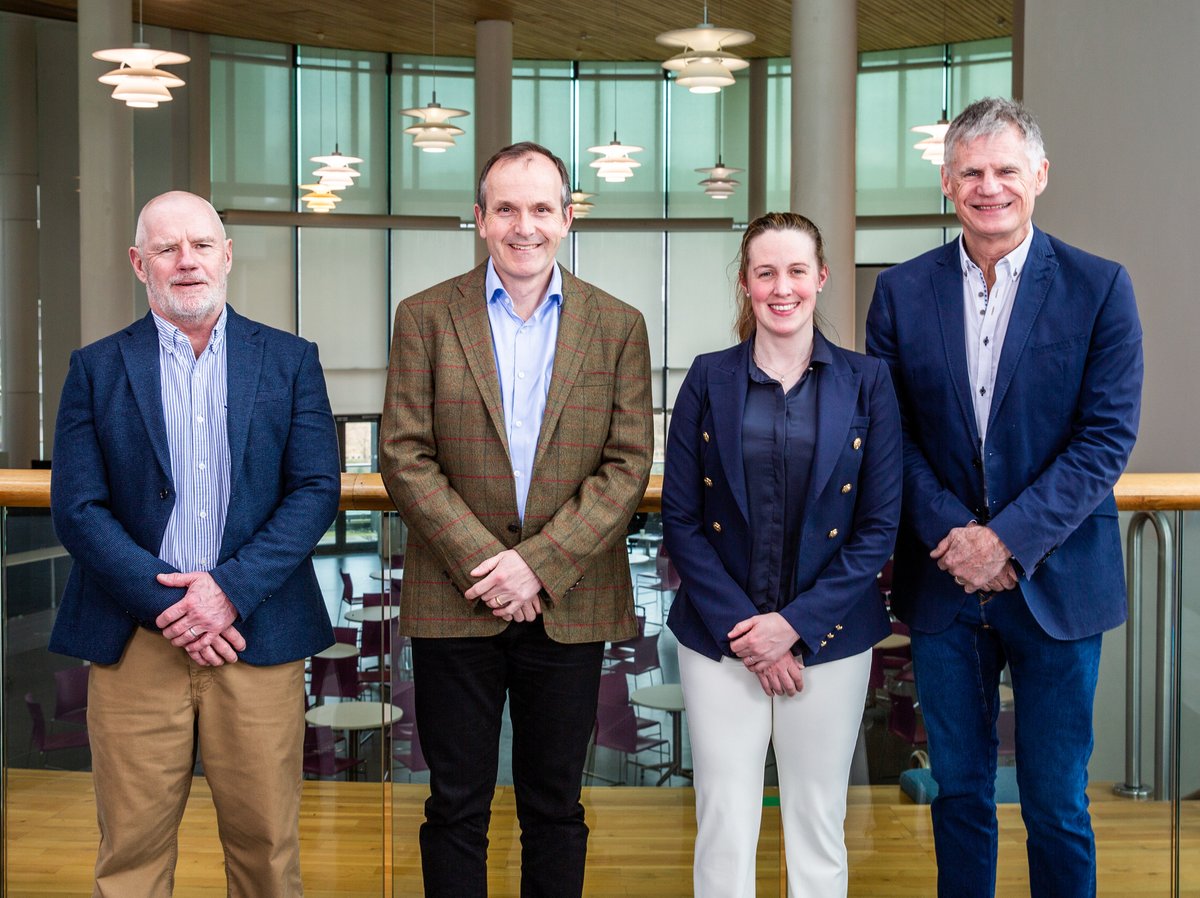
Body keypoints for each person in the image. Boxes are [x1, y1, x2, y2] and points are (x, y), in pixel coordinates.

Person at [865, 97, 1143, 898]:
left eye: (1006, 171)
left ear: (1040, 177)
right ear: (948, 181)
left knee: (1056, 803)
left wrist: (1007, 540)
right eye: (973, 172)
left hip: (1057, 583)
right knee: (959, 794)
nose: (990, 187)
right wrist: (958, 535)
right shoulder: (902, 292)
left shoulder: (1099, 287)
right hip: (945, 586)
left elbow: (1105, 441)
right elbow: (894, 436)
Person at [379, 141, 653, 898]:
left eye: (540, 209)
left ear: (568, 219)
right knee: (455, 807)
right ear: (479, 219)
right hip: (454, 599)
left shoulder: (619, 324)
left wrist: (538, 564)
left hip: (569, 602)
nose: (522, 225)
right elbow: (404, 453)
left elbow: (628, 464)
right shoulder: (425, 316)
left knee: (555, 809)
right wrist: (490, 565)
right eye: (506, 208)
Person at [49, 190, 342, 897]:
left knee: (267, 854)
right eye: (167, 249)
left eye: (202, 245)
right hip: (136, 639)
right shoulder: (95, 368)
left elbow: (315, 491)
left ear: (227, 255)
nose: (187, 262)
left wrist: (227, 592)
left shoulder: (290, 360)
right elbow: (78, 508)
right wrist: (174, 606)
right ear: (138, 264)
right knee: (131, 857)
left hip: (256, 633)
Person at [662, 212, 902, 898]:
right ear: (745, 283)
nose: (781, 287)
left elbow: (878, 527)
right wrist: (751, 633)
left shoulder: (868, 383)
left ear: (821, 278)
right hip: (720, 640)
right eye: (765, 272)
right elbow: (681, 518)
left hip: (831, 639)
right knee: (724, 823)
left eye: (796, 270)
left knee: (819, 823)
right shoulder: (708, 380)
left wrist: (791, 627)